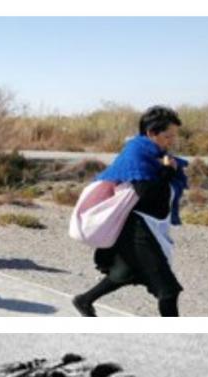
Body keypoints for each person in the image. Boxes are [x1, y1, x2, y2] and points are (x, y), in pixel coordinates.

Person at [72, 106, 188, 317]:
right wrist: (168, 170)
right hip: (137, 229)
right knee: (168, 290)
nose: (172, 141)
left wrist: (166, 169)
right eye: (168, 135)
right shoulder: (137, 152)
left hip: (150, 225)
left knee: (125, 272)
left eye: (174, 136)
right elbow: (145, 191)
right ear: (152, 133)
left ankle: (84, 300)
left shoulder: (156, 154)